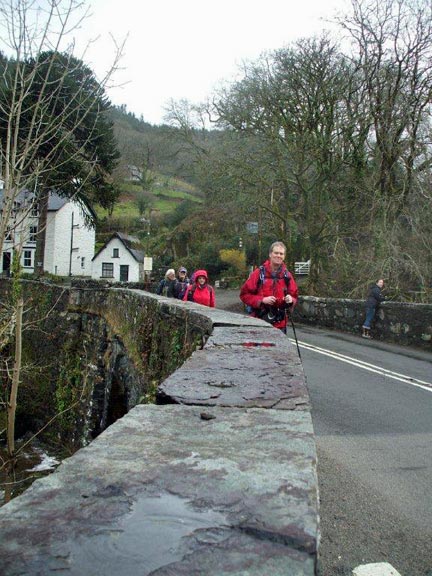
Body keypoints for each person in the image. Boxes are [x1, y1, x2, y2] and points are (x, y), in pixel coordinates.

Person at [240, 241, 298, 333]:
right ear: (270, 254)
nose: (278, 256)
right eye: (276, 253)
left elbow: (294, 295)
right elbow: (244, 295)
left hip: (280, 325)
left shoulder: (287, 275)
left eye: (281, 254)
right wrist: (262, 300)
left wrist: (291, 300)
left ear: (284, 256)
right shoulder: (258, 273)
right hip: (260, 323)